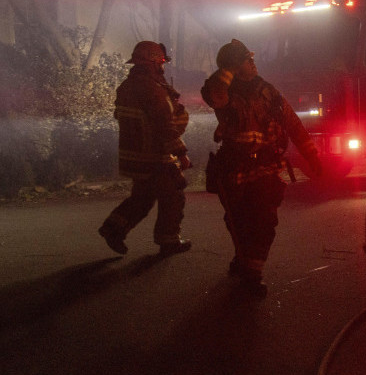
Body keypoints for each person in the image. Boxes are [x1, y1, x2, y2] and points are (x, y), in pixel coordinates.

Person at [200, 39, 321, 295]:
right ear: (233, 65)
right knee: (238, 219)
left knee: (265, 219)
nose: (253, 63)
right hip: (234, 167)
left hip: (266, 166)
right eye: (247, 59)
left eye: (252, 59)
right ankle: (244, 257)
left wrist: (312, 156)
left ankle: (253, 273)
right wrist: (229, 69)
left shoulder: (268, 91)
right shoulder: (221, 89)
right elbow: (216, 96)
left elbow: (292, 123)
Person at [98, 41, 192, 256]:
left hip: (135, 156)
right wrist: (181, 153)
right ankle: (169, 241)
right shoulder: (151, 89)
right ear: (152, 62)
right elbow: (164, 125)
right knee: (174, 194)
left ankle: (113, 228)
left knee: (143, 197)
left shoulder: (127, 86)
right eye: (160, 62)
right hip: (154, 155)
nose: (162, 67)